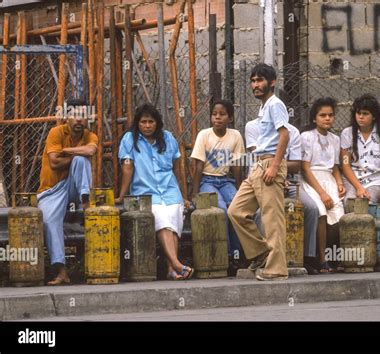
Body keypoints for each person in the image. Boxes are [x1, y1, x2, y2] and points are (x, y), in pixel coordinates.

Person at [116, 103, 193, 280]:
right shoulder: (130, 139)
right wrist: (121, 195)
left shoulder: (168, 138)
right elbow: (127, 168)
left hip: (170, 191)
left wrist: (183, 195)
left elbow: (176, 168)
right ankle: (175, 264)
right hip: (145, 195)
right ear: (138, 123)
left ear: (157, 123)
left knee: (174, 214)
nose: (148, 125)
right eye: (143, 122)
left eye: (151, 121)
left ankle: (172, 269)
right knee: (162, 217)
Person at [228, 63, 290, 281]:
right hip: (258, 166)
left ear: (272, 82)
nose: (255, 85)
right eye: (253, 81)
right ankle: (260, 252)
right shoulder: (264, 107)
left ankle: (276, 269)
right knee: (235, 211)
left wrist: (274, 166)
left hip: (270, 164)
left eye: (260, 80)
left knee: (272, 219)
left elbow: (285, 135)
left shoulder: (275, 104)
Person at [246, 119, 320, 275]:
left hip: (290, 181)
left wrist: (279, 171)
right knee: (262, 214)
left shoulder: (291, 131)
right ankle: (262, 255)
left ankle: (307, 257)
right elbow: (258, 158)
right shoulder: (253, 127)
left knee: (312, 208)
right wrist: (278, 169)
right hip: (261, 179)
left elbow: (296, 164)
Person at [38, 99, 97, 285]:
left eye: (83, 116)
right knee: (49, 221)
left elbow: (91, 150)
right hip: (52, 191)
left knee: (82, 161)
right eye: (74, 115)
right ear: (66, 117)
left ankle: (86, 203)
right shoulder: (55, 132)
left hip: (74, 187)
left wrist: (67, 151)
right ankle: (61, 271)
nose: (79, 120)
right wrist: (78, 153)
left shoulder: (89, 135)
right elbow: (54, 163)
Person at [191, 99, 245, 276]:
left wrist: (240, 189)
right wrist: (195, 192)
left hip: (225, 180)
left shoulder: (235, 135)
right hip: (208, 180)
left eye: (222, 114)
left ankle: (237, 255)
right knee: (221, 210)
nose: (217, 118)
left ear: (229, 117)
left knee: (235, 209)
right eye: (214, 114)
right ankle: (227, 256)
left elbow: (237, 165)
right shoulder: (204, 135)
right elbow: (198, 165)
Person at [300, 97, 345, 273]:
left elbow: (334, 166)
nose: (327, 118)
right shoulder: (307, 137)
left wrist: (340, 183)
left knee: (339, 215)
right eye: (322, 115)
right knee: (321, 212)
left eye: (330, 115)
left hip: (330, 180)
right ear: (314, 118)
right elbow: (304, 168)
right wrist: (322, 193)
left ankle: (335, 258)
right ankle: (322, 260)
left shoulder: (335, 139)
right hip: (312, 181)